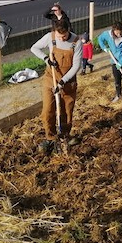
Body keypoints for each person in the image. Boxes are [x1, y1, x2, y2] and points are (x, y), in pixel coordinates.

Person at [30, 20, 82, 152]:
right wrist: (46, 59)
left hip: (68, 82)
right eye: (59, 36)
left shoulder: (76, 42)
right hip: (50, 78)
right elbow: (34, 48)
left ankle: (65, 136)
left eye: (64, 36)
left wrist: (62, 82)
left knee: (66, 110)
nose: (61, 38)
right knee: (48, 110)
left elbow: (76, 66)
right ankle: (50, 138)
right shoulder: (50, 37)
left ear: (68, 30)